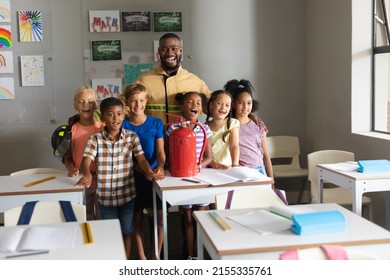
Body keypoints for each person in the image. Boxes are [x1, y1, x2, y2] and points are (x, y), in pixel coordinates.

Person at [76, 97, 165, 260]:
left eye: (119, 114)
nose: (115, 118)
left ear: (124, 116)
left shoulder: (131, 137)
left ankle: (123, 261)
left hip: (127, 195)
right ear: (102, 117)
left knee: (126, 230)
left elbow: (142, 160)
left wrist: (149, 172)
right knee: (110, 232)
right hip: (106, 197)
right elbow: (86, 161)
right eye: (110, 114)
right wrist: (87, 173)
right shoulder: (95, 139)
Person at [120, 83, 165, 260]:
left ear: (146, 101)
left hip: (155, 176)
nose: (137, 105)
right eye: (133, 101)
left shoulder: (155, 123)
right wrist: (143, 171)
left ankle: (156, 255)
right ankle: (141, 257)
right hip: (132, 177)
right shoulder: (122, 124)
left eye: (141, 100)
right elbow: (125, 157)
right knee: (137, 219)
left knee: (159, 218)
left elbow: (161, 152)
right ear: (127, 102)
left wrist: (160, 167)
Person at [166, 91, 212, 260]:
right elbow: (169, 154)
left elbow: (209, 157)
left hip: (200, 178)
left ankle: (200, 254)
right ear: (181, 107)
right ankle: (191, 255)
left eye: (198, 103)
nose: (194, 105)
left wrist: (199, 165)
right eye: (190, 102)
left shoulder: (205, 129)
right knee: (187, 218)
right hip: (182, 179)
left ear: (202, 110)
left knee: (200, 217)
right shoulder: (173, 128)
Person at [135, 33, 211, 125]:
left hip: (185, 138)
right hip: (152, 138)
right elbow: (124, 107)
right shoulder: (143, 81)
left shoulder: (195, 82)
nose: (169, 53)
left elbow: (213, 107)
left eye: (174, 48)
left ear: (181, 51)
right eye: (164, 49)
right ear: (159, 52)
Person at [64, 86, 104, 220]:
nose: (86, 105)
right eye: (81, 102)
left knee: (102, 217)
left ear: (96, 104)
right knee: (84, 217)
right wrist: (70, 167)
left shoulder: (103, 128)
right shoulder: (71, 130)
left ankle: (101, 240)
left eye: (90, 101)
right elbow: (67, 156)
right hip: (80, 181)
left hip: (101, 182)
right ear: (75, 105)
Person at [224, 79, 273, 177]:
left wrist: (271, 179)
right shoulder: (229, 125)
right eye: (241, 102)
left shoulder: (258, 125)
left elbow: (266, 154)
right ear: (233, 104)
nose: (245, 106)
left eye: (249, 103)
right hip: (242, 172)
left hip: (260, 170)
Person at [206, 90, 240, 169]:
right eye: (219, 103)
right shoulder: (205, 127)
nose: (223, 108)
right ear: (211, 105)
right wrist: (215, 165)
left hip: (228, 169)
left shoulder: (232, 123)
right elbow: (205, 153)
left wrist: (235, 166)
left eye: (227, 105)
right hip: (210, 169)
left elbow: (234, 145)